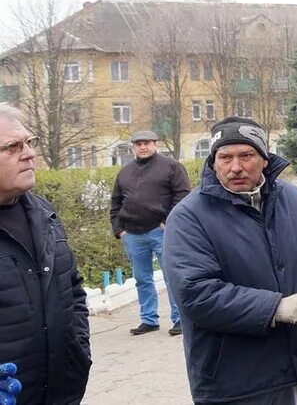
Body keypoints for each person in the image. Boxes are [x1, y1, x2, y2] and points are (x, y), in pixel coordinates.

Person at [163, 117, 297, 405]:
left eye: (246, 156)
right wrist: (276, 307)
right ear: (213, 162)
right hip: (230, 377)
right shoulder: (189, 216)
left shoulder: (293, 200)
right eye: (225, 157)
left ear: (264, 160)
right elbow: (195, 293)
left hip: (287, 365)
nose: (235, 167)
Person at [0, 103, 90, 405]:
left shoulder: (43, 212)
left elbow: (73, 288)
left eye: (29, 142)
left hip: (61, 391)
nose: (29, 153)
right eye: (13, 146)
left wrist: (79, 351)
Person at [109, 129, 189, 336]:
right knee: (142, 279)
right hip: (132, 234)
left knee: (172, 276)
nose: (142, 147)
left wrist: (168, 221)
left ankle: (180, 319)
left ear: (155, 144)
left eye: (146, 143)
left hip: (161, 231)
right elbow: (116, 201)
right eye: (138, 144)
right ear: (133, 147)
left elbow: (182, 195)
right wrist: (119, 230)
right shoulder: (125, 172)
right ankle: (149, 319)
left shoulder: (171, 167)